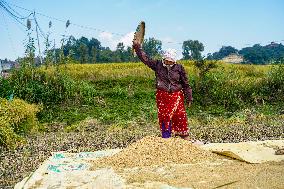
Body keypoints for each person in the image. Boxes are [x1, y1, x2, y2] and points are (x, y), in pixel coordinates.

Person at [132, 40, 193, 141]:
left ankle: (183, 138)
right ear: (163, 59)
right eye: (167, 60)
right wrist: (138, 48)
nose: (168, 63)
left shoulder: (179, 68)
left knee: (180, 116)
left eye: (171, 61)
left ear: (174, 61)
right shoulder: (157, 65)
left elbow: (186, 84)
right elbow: (145, 59)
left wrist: (189, 97)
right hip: (163, 96)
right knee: (164, 117)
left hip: (176, 96)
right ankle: (166, 138)